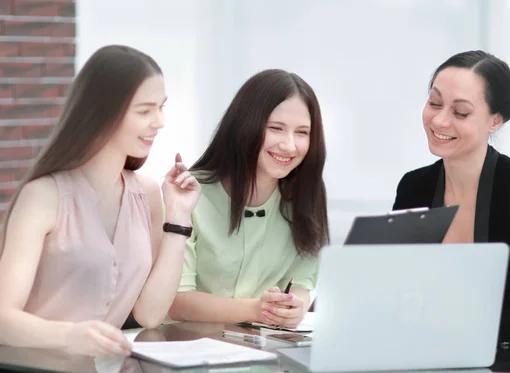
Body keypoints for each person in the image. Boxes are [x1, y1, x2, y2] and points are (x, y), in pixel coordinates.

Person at [0, 45, 201, 357]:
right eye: (145, 110)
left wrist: (179, 217)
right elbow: (3, 319)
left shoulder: (146, 194)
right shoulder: (43, 197)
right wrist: (70, 335)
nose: (159, 122)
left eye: (161, 108)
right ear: (103, 112)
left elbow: (150, 315)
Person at [392, 50, 510, 342]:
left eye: (460, 112)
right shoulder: (414, 187)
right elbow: (396, 286)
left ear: (495, 120)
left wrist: (463, 335)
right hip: (430, 354)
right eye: (434, 102)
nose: (439, 121)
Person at [169, 69, 329, 328]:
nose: (289, 145)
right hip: (186, 352)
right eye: (276, 128)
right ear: (246, 125)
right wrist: (256, 309)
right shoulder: (190, 193)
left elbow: (301, 282)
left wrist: (294, 306)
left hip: (261, 356)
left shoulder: (306, 195)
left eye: (302, 133)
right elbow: (176, 301)